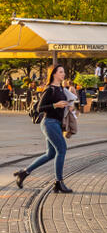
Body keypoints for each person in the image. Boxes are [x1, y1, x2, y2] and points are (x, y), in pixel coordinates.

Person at [14, 64, 73, 193]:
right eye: (61, 72)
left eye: (64, 72)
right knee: (62, 149)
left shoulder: (62, 89)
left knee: (51, 153)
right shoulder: (49, 89)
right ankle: (58, 182)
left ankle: (24, 172)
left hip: (56, 123)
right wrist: (55, 105)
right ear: (54, 74)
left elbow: (63, 104)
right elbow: (39, 108)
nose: (63, 74)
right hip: (49, 123)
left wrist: (69, 106)